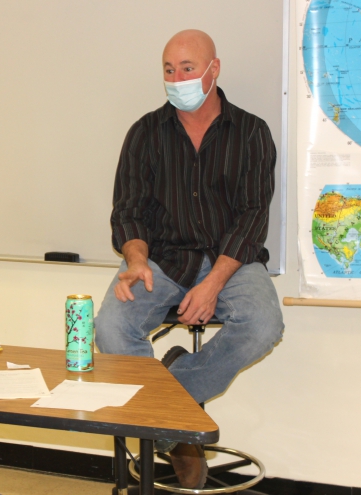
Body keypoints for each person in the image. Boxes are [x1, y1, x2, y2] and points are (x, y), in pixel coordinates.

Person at [95, 30, 284, 489]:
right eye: (168, 69)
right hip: (163, 259)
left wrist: (214, 283)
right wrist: (135, 259)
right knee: (111, 326)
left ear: (213, 69)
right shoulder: (145, 132)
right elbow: (128, 210)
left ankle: (172, 398)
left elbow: (252, 217)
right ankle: (178, 432)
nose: (176, 78)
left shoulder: (252, 131)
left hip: (232, 261)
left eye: (187, 68)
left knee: (264, 324)